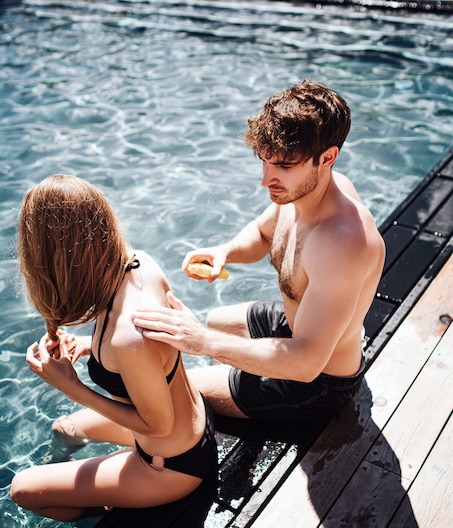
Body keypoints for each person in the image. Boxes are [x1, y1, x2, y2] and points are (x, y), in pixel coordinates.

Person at [132, 79, 386, 423]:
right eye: (264, 161)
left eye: (283, 166)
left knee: (171, 391)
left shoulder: (343, 244)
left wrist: (203, 342)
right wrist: (225, 251)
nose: (266, 180)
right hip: (297, 328)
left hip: (317, 384)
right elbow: (263, 234)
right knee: (212, 323)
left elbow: (307, 363)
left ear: (327, 158)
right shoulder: (303, 193)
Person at [10, 174, 217, 522]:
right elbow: (150, 356)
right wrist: (87, 346)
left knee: (23, 490)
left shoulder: (127, 336)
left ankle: (114, 510)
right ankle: (105, 488)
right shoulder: (139, 264)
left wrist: (72, 388)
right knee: (65, 429)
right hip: (193, 427)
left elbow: (158, 426)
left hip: (171, 467)